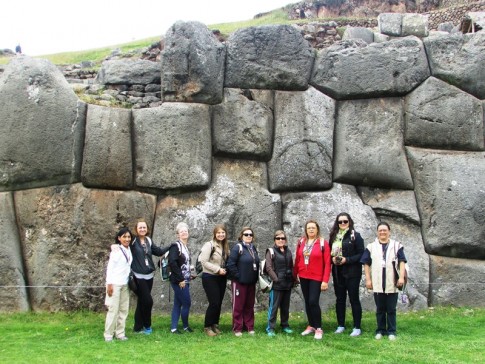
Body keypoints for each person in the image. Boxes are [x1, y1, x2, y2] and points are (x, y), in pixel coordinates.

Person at [360, 222, 407, 341]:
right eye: (380, 230)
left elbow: (402, 261)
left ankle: (391, 331)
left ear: (389, 231)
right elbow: (366, 263)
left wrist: (401, 277)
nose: (382, 232)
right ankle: (380, 330)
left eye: (385, 230)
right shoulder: (371, 246)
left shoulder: (397, 246)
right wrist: (368, 279)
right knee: (380, 309)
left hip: (392, 282)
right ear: (377, 232)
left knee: (391, 309)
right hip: (377, 282)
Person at [293, 219, 331, 340]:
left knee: (313, 301)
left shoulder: (322, 243)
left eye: (313, 228)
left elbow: (327, 263)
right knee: (307, 301)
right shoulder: (301, 242)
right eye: (309, 228)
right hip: (304, 276)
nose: (311, 230)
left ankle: (319, 328)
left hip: (317, 277)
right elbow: (298, 259)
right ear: (306, 230)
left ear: (317, 229)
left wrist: (325, 280)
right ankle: (311, 325)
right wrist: (295, 274)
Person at [328, 213, 365, 337]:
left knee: (354, 298)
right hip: (338, 272)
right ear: (337, 223)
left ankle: (357, 327)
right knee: (340, 299)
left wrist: (347, 260)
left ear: (350, 222)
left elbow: (361, 254)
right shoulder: (334, 236)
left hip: (353, 272)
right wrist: (332, 259)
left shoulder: (356, 236)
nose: (343, 224)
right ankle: (341, 325)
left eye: (345, 221)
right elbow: (329, 253)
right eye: (340, 222)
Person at [130, 219, 168, 334]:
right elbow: (121, 242)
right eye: (140, 227)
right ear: (136, 229)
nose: (142, 229)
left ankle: (137, 327)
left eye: (144, 227)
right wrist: (114, 246)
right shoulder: (132, 241)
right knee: (148, 301)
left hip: (149, 276)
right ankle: (147, 326)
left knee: (142, 301)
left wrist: (172, 246)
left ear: (147, 229)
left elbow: (159, 251)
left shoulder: (148, 241)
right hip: (138, 276)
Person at [226, 226, 260, 337]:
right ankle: (237, 328)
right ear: (241, 236)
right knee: (238, 306)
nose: (248, 236)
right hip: (239, 282)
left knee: (249, 305)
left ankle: (249, 326)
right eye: (246, 234)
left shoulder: (253, 248)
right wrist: (238, 276)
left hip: (251, 282)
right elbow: (230, 264)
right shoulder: (238, 248)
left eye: (250, 234)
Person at [199, 224, 229, 336]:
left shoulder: (225, 246)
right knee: (214, 302)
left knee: (219, 302)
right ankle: (207, 326)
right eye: (218, 233)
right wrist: (217, 269)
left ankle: (214, 324)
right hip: (210, 276)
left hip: (221, 277)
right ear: (214, 234)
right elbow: (204, 262)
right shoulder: (209, 245)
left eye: (223, 232)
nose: (221, 234)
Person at [104, 227, 133, 342]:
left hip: (125, 284)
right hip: (115, 284)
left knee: (123, 310)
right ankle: (108, 334)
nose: (127, 239)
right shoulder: (116, 251)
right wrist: (109, 284)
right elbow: (110, 268)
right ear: (119, 238)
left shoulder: (129, 249)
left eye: (128, 237)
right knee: (113, 310)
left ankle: (120, 333)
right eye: (124, 237)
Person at [265, 230, 294, 337]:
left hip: (288, 283)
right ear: (275, 240)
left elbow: (291, 265)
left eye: (283, 238)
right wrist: (276, 279)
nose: (281, 240)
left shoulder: (288, 251)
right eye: (278, 238)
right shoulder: (271, 251)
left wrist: (293, 279)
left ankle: (285, 325)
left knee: (285, 307)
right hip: (277, 284)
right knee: (274, 306)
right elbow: (268, 267)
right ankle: (270, 328)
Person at [169, 222, 196, 334]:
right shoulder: (176, 246)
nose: (184, 233)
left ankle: (174, 327)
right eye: (181, 231)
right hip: (178, 280)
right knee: (187, 303)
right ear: (178, 234)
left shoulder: (185, 247)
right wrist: (181, 279)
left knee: (178, 303)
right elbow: (173, 263)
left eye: (186, 231)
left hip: (185, 279)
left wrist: (190, 275)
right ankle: (185, 326)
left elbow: (184, 264)